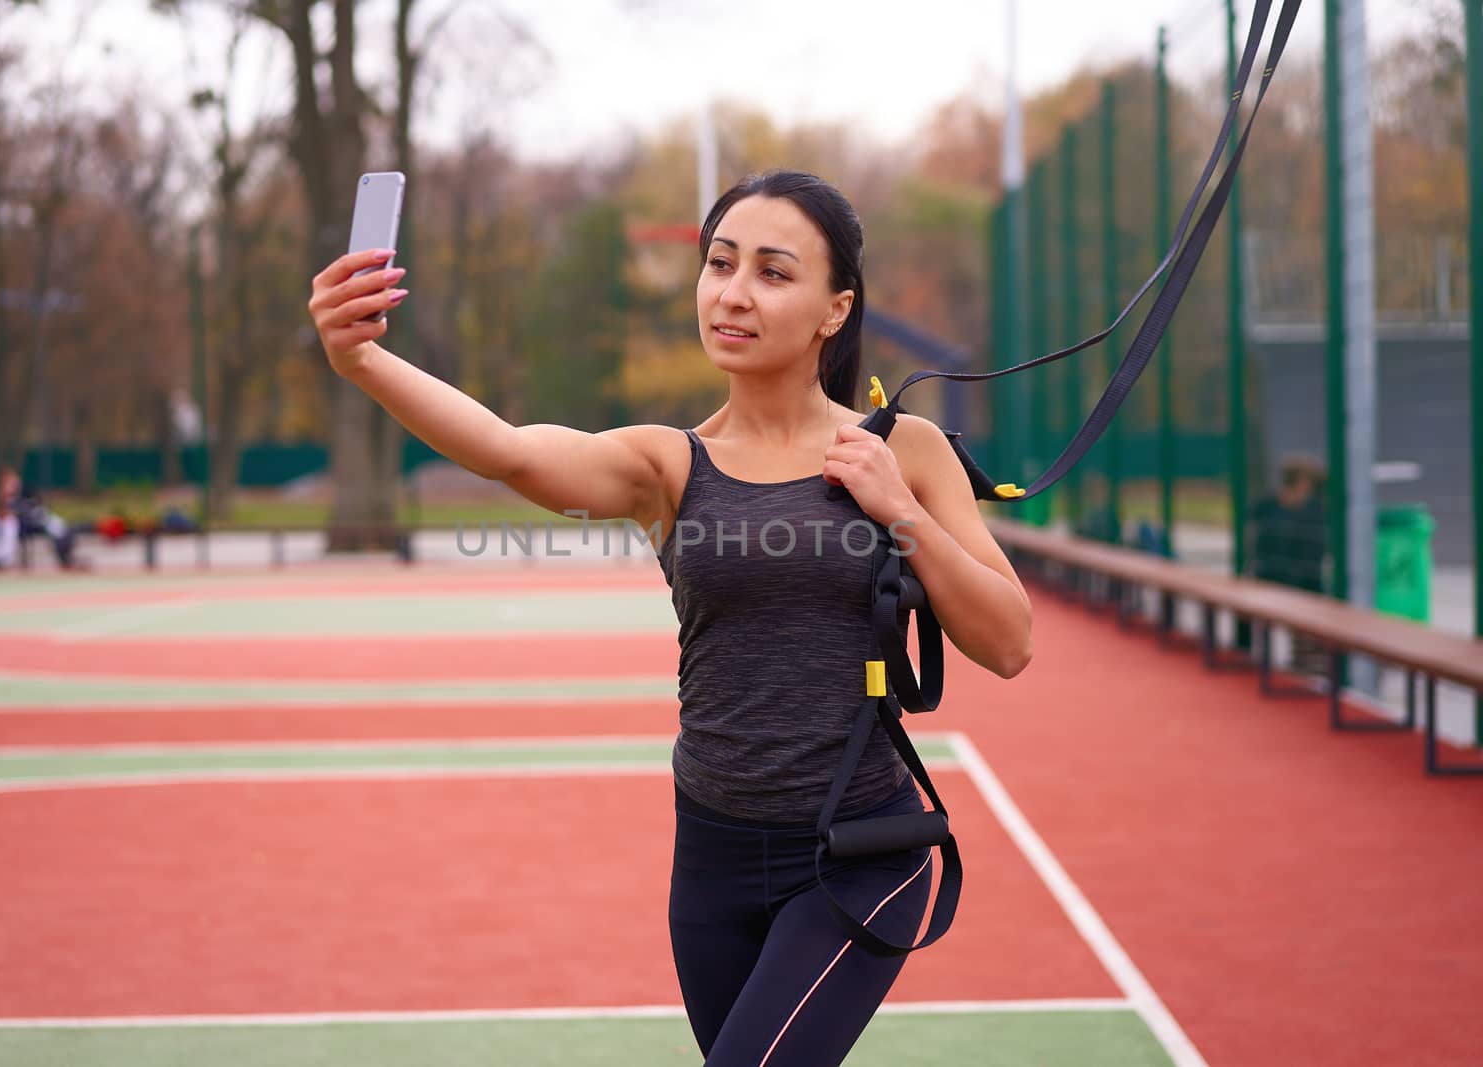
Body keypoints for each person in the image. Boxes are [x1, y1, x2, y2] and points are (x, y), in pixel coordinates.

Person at [308, 169, 1033, 1065]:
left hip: (859, 850)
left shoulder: (901, 448)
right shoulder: (668, 464)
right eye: (720, 263)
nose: (733, 293)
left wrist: (904, 513)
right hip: (713, 856)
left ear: (834, 309)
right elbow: (506, 450)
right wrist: (362, 359)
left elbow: (1010, 641)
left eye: (772, 272)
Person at [1251, 455, 1329, 673]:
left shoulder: (1314, 511)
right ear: (1302, 482)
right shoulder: (1270, 507)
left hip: (1298, 582)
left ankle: (1306, 662)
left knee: (1315, 608)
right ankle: (1303, 661)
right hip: (1277, 580)